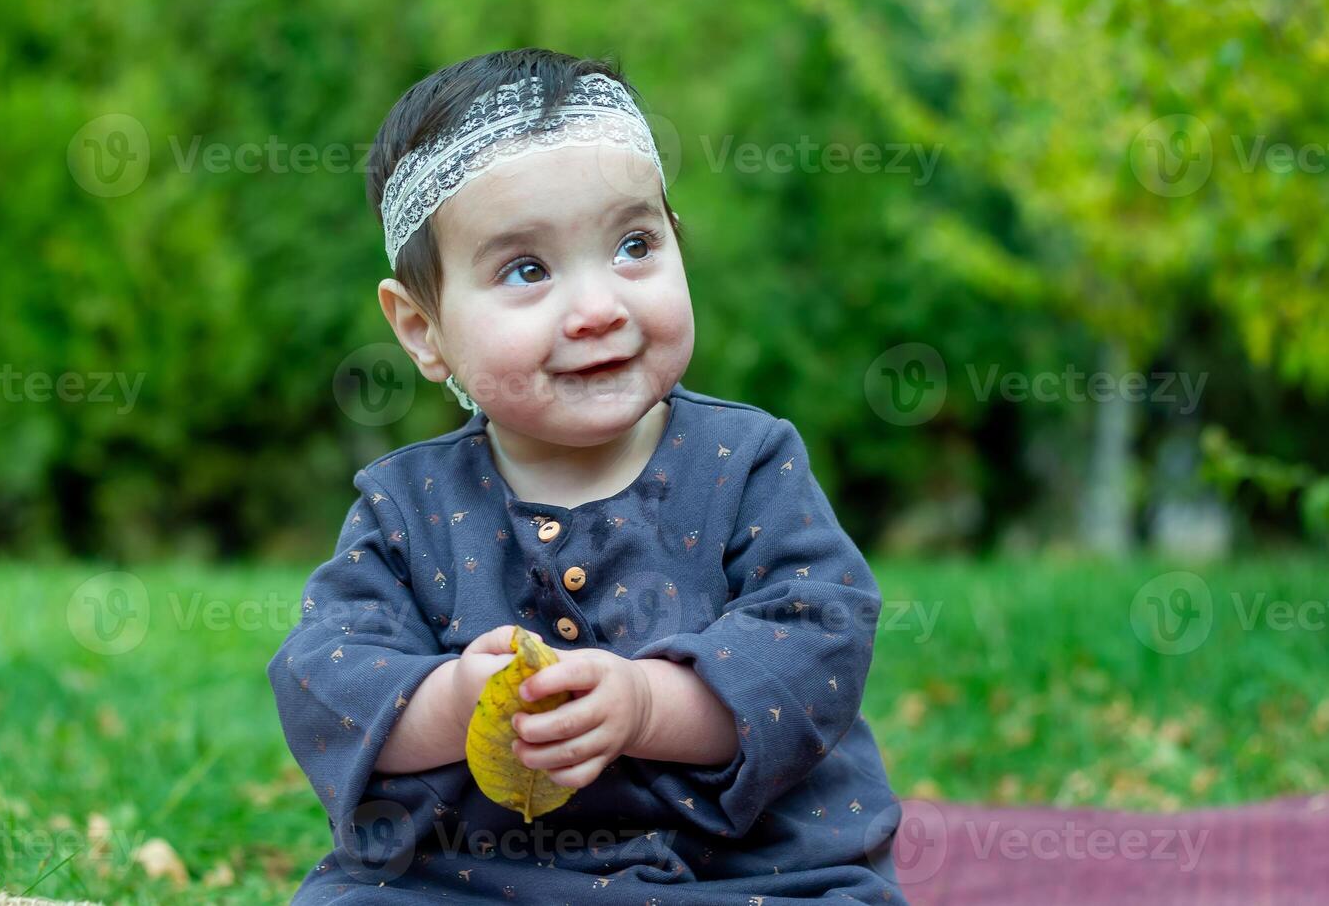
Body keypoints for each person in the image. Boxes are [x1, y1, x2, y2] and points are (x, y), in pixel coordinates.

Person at [266, 47, 908, 904]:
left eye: (634, 245)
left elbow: (816, 642)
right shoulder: (405, 507)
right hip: (481, 877)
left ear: (679, 242)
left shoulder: (745, 461)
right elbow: (327, 677)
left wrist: (646, 702)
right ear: (422, 330)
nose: (599, 306)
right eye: (526, 270)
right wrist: (452, 699)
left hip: (745, 872)